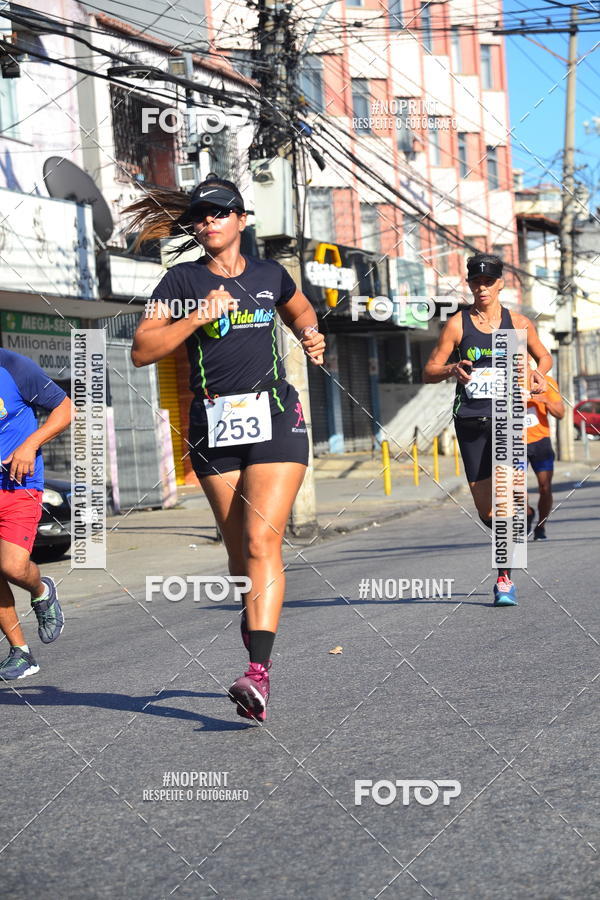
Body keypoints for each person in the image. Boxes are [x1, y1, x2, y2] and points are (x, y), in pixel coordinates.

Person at [129, 175, 325, 722]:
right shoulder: (181, 280)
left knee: (262, 540)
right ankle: (254, 620)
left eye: (219, 212)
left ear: (241, 219)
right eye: (200, 215)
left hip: (276, 416)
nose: (209, 221)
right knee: (239, 551)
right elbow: (142, 350)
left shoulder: (270, 274)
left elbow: (301, 311)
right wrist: (197, 315)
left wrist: (310, 334)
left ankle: (257, 671)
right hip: (214, 423)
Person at [423, 252, 553, 606]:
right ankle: (519, 522)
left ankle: (504, 579)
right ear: (469, 284)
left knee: (505, 501)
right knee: (488, 510)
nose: (482, 288)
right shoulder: (458, 325)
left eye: (488, 282)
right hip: (470, 421)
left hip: (508, 419)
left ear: (500, 284)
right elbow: (429, 370)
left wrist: (539, 373)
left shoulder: (518, 324)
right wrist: (452, 369)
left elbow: (544, 356)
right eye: (476, 282)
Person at [0, 349, 72, 680]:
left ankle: (41, 590)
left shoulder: (14, 366)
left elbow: (65, 408)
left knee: (13, 566)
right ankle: (21, 653)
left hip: (19, 485)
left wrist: (30, 445)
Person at [526, 362, 564, 540]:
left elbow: (561, 413)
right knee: (515, 489)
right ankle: (528, 513)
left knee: (545, 487)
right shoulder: (504, 382)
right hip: (514, 443)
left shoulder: (545, 381)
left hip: (540, 442)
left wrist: (545, 400)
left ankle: (541, 526)